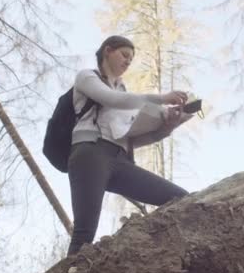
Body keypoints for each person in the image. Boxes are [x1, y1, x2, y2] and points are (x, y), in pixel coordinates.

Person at [67, 35, 191, 255]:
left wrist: (166, 128)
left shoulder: (124, 91)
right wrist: (161, 98)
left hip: (120, 160)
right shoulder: (87, 77)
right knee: (84, 233)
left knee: (180, 198)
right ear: (108, 50)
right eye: (124, 55)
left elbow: (132, 139)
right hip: (90, 153)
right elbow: (111, 99)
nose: (127, 62)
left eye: (131, 60)